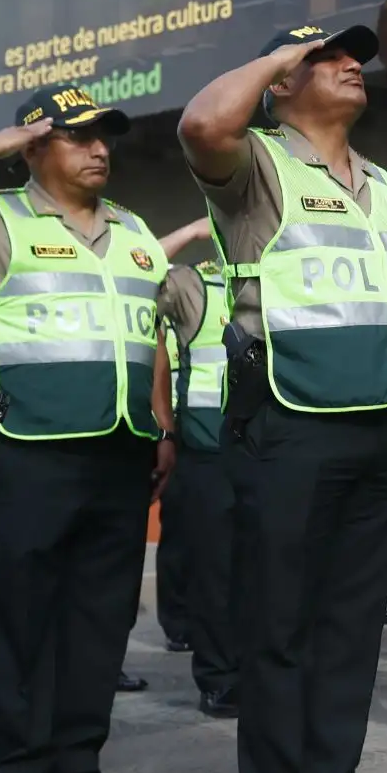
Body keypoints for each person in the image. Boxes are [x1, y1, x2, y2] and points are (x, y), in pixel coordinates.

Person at [179, 23, 387, 773]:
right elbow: (203, 127)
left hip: (376, 430)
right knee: (281, 623)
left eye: (353, 56)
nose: (350, 65)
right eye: (325, 57)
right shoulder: (258, 165)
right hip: (288, 423)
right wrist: (277, 59)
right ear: (282, 80)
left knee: (350, 627)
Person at [0, 86, 176, 773]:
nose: (98, 150)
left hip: (119, 447)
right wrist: (0, 140)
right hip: (31, 445)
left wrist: (161, 422)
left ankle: (77, 763)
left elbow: (150, 326)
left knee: (99, 613)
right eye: (77, 137)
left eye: (104, 137)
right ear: (35, 149)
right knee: (21, 614)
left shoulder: (132, 227)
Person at [153, 217, 244, 718]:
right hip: (209, 451)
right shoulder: (193, 283)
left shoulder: (273, 278)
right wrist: (189, 232)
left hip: (269, 450)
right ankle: (219, 677)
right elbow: (135, 265)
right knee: (214, 572)